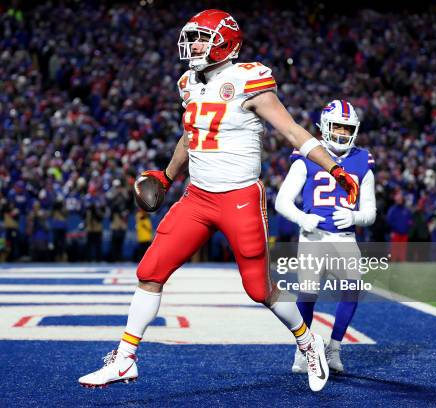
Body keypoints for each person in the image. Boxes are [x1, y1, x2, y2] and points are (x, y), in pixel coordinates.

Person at [78, 10, 359, 393]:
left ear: (225, 43)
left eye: (201, 39)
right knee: (150, 271)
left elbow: (293, 130)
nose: (192, 46)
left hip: (240, 197)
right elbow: (190, 135)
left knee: (259, 289)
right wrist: (167, 175)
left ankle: (308, 343)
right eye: (191, 38)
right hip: (197, 198)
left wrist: (335, 169)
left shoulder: (249, 79)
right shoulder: (188, 82)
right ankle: (125, 358)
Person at [275, 100, 376, 374]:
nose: (342, 134)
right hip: (313, 236)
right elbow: (282, 202)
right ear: (324, 128)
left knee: (352, 291)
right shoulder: (307, 154)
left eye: (347, 129)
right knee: (307, 295)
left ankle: (334, 349)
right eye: (337, 128)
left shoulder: (362, 160)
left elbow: (371, 212)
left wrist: (355, 217)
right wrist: (302, 217)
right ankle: (304, 350)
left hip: (345, 238)